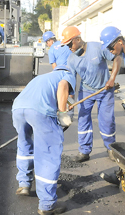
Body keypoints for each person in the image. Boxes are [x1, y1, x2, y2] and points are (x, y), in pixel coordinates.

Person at [12, 65, 75, 215]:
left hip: (18, 109)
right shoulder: (66, 75)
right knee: (47, 154)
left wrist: (64, 104)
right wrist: (62, 112)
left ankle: (24, 184)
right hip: (40, 112)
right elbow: (63, 86)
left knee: (24, 144)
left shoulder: (42, 78)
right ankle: (47, 205)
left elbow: (48, 96)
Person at [61, 26, 122, 162]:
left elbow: (117, 58)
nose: (69, 47)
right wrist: (69, 102)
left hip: (104, 90)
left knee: (107, 121)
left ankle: (111, 148)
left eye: (70, 43)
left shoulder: (97, 48)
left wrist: (112, 78)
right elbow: (71, 82)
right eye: (66, 45)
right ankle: (84, 151)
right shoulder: (71, 59)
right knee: (83, 120)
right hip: (86, 90)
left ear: (78, 39)